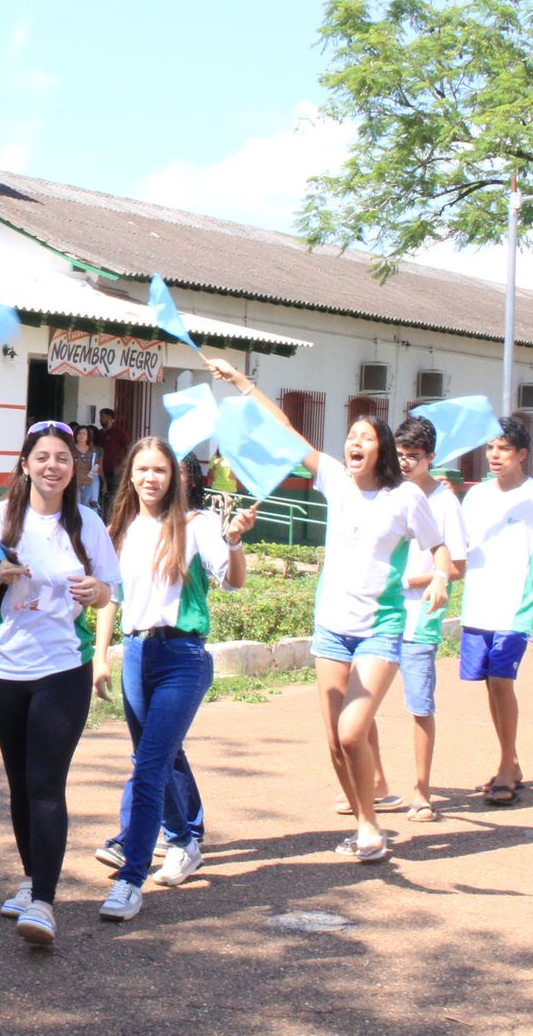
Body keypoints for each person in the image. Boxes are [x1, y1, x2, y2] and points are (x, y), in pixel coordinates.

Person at [207, 358, 446, 863]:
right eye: (350, 435)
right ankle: (367, 826)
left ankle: (369, 822)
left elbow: (439, 548)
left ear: (380, 448)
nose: (354, 442)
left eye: (365, 436)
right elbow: (287, 432)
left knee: (352, 730)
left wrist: (442, 577)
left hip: (380, 630)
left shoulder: (405, 498)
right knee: (334, 743)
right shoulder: (335, 479)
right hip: (331, 631)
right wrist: (243, 383)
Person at [0, 422, 118, 944]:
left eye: (63, 459)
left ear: (76, 469)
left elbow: (107, 590)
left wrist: (95, 592)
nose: (53, 466)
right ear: (25, 464)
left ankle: (44, 903)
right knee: (21, 783)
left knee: (46, 783)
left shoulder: (87, 523)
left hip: (62, 668)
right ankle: (30, 880)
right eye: (43, 457)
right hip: (4, 669)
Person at [89, 436, 254, 919]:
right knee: (150, 758)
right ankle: (184, 838)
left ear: (176, 477)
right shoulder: (118, 528)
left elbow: (234, 580)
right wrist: (102, 656)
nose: (151, 478)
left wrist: (236, 540)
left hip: (183, 655)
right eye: (142, 469)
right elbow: (110, 598)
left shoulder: (195, 525)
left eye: (160, 470)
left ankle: (130, 877)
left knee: (150, 765)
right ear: (130, 475)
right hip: (137, 653)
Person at [358, 415, 468, 823]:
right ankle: (377, 784)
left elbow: (457, 566)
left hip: (420, 615)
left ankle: (422, 791)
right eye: (400, 455)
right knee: (362, 703)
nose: (405, 463)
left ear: (431, 458)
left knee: (419, 706)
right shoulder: (389, 494)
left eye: (414, 457)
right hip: (379, 613)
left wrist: (413, 578)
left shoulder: (444, 503)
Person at [458, 418, 533, 804]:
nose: (494, 456)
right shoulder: (476, 496)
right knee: (491, 682)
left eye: (503, 449)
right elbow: (460, 549)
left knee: (502, 681)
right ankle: (511, 760)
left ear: (521, 454)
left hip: (517, 606)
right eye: (490, 448)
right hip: (478, 605)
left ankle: (505, 765)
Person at [97, 408, 132, 510]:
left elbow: (129, 448)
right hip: (100, 471)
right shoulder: (99, 433)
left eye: (102, 417)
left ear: (110, 418)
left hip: (114, 471)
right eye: (100, 417)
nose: (100, 419)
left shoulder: (118, 432)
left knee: (113, 497)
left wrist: (122, 465)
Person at [73, 423, 102, 511]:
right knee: (76, 505)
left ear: (88, 436)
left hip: (88, 481)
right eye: (79, 433)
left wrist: (90, 474)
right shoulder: (71, 449)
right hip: (74, 481)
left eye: (84, 434)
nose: (81, 436)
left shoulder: (92, 451)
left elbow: (96, 465)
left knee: (86, 506)